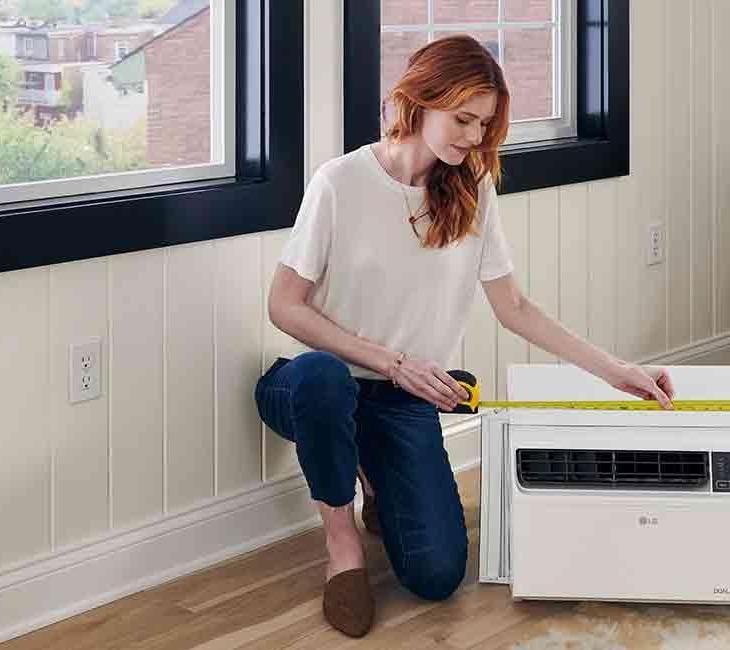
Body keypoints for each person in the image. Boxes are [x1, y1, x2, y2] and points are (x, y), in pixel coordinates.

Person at [254, 35, 675, 638]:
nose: (474, 138)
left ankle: (374, 470)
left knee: (437, 574)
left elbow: (517, 309)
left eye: (484, 124)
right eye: (462, 119)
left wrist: (617, 370)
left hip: (403, 400)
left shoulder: (472, 190)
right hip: (319, 386)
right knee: (321, 380)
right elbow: (283, 304)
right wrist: (393, 361)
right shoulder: (340, 182)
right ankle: (341, 544)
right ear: (421, 100)